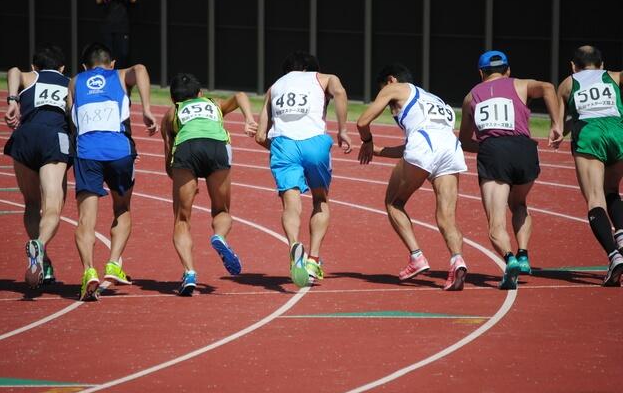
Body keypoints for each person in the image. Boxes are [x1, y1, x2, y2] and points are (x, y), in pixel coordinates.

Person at [357, 63, 468, 291]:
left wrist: (366, 141)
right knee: (447, 216)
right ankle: (457, 260)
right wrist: (377, 150)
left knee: (393, 202)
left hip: (425, 144)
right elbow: (413, 146)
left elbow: (362, 122)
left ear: (390, 80)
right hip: (450, 147)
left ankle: (417, 256)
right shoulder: (435, 100)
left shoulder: (395, 88)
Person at [459, 50, 563, 290]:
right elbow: (548, 87)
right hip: (525, 149)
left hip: (493, 151)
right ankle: (524, 254)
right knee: (519, 204)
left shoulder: (471, 96)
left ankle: (510, 259)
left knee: (496, 224)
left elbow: (464, 141)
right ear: (507, 70)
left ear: (480, 73)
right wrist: (556, 124)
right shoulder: (521, 84)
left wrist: (489, 147)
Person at [67, 42, 158, 301]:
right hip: (119, 151)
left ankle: (88, 270)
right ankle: (114, 262)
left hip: (87, 153)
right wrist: (146, 109)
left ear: (85, 66)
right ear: (112, 63)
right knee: (122, 208)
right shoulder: (119, 75)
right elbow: (140, 68)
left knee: (86, 219)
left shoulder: (75, 82)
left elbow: (70, 116)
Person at [255, 51, 352, 287]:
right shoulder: (324, 78)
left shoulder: (274, 87)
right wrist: (342, 130)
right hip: (315, 143)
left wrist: (278, 147)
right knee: (320, 199)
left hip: (284, 144)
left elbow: (259, 136)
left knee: (291, 204)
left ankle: (293, 246)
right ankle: (313, 259)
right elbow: (339, 92)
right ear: (311, 68)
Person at [160, 73, 258, 296]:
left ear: (174, 99)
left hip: (186, 149)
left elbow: (168, 155)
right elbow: (241, 95)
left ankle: (190, 272)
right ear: (200, 94)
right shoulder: (213, 104)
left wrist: (181, 179)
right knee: (221, 210)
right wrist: (249, 119)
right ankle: (220, 237)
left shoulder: (171, 113)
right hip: (217, 147)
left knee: (182, 219)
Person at [3, 44, 70, 289]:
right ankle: (39, 245)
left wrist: (12, 100)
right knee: (53, 207)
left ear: (34, 66)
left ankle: (44, 260)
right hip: (54, 138)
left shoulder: (30, 76)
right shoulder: (69, 83)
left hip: (25, 137)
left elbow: (12, 71)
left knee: (32, 203)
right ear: (63, 68)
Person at [557, 45, 623, 286]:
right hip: (618, 132)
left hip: (589, 133)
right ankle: (622, 236)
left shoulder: (566, 84)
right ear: (602, 65)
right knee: (612, 190)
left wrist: (558, 133)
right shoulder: (614, 76)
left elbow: (559, 123)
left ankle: (614, 255)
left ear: (573, 66)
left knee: (595, 199)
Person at [96, 0, 136, 68]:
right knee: (107, 52)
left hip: (122, 26)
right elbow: (98, 1)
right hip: (108, 26)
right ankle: (108, 73)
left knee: (123, 53)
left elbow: (133, 0)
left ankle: (119, 72)